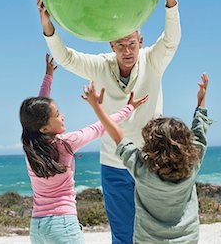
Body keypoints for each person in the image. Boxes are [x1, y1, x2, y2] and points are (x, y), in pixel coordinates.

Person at [37, 0, 181, 244]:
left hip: (150, 160)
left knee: (156, 232)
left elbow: (172, 40)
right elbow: (65, 58)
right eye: (120, 45)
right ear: (111, 46)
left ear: (140, 40)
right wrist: (47, 27)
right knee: (122, 234)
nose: (127, 51)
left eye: (132, 44)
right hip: (114, 165)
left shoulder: (153, 60)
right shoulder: (100, 66)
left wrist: (170, 0)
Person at [20, 54, 148, 244]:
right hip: (63, 224)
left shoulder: (29, 146)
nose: (62, 116)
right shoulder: (66, 143)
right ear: (45, 128)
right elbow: (101, 126)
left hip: (37, 227)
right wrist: (129, 108)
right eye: (57, 114)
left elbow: (38, 111)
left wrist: (48, 77)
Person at [81, 74, 212, 244]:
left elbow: (117, 134)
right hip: (187, 239)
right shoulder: (193, 163)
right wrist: (201, 99)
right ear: (185, 142)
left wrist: (97, 108)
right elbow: (200, 128)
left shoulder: (141, 168)